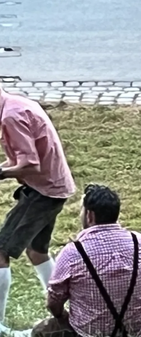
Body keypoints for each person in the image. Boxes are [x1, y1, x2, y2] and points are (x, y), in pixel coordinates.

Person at [0, 185, 141, 337]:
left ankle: (18, 336)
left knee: (44, 329)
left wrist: (62, 316)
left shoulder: (74, 252)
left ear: (89, 215)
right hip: (136, 331)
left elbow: (53, 301)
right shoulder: (140, 242)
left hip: (88, 334)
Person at [0, 86, 76, 324]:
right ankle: (65, 314)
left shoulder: (10, 117)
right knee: (37, 251)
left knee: (0, 252)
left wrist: (2, 173)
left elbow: (31, 164)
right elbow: (23, 158)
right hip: (53, 187)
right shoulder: (17, 104)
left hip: (43, 191)